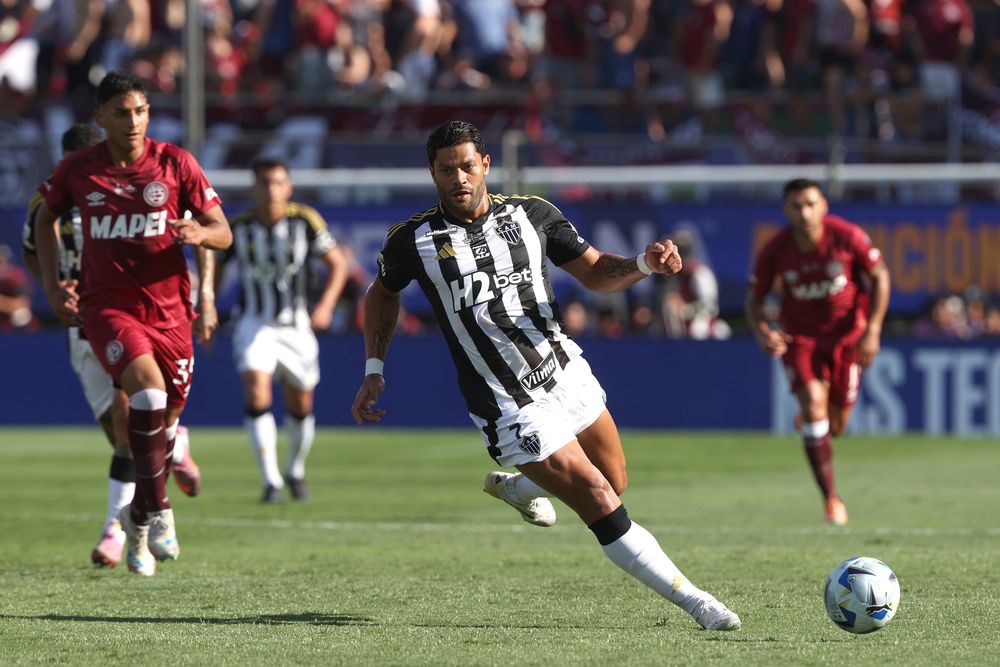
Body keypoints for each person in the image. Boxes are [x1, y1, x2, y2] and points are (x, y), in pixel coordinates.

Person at [351, 120, 741, 631]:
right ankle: (698, 603)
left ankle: (519, 489)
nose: (459, 178)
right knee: (599, 500)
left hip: (564, 372)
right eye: (447, 170)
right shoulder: (414, 240)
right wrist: (374, 368)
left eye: (468, 166)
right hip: (503, 400)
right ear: (433, 172)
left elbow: (597, 271)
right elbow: (382, 293)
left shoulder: (534, 215)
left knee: (615, 481)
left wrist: (644, 264)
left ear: (485, 165)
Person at [33, 71, 232, 577]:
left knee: (157, 427)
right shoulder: (80, 170)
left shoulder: (176, 163)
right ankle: (159, 514)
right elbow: (42, 219)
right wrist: (56, 286)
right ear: (100, 118)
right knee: (144, 399)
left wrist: (200, 233)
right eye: (121, 113)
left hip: (171, 313)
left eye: (141, 111)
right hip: (109, 308)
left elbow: (224, 233)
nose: (134, 121)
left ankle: (137, 515)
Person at [745, 178, 890, 525]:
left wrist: (873, 329)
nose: (804, 212)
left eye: (810, 203)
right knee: (813, 407)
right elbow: (755, 299)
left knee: (836, 426)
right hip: (801, 340)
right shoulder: (776, 250)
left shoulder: (847, 236)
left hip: (847, 338)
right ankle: (832, 500)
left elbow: (880, 276)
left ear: (823, 205)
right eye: (796, 205)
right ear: (786, 209)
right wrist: (763, 332)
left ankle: (817, 415)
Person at [221, 158, 349, 502]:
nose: (271, 189)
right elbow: (216, 264)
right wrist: (206, 308)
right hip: (253, 321)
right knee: (256, 388)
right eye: (264, 182)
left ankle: (295, 470)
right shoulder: (239, 226)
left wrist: (324, 306)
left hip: (296, 324)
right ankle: (271, 481)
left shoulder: (305, 221)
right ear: (253, 188)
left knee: (301, 403)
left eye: (278, 182)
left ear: (288, 187)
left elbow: (338, 264)